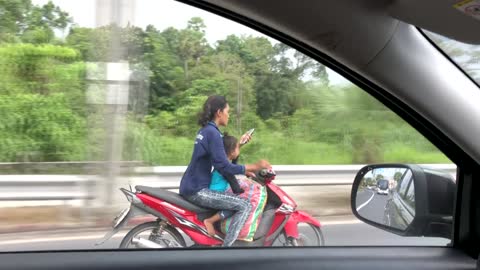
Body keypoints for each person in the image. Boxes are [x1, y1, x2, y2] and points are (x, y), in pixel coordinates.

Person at [179, 95, 270, 247]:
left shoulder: (207, 130)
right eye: (228, 111)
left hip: (192, 184)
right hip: (198, 190)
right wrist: (253, 166)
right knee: (245, 205)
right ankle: (227, 250)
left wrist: (239, 145)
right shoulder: (213, 133)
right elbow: (224, 166)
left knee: (237, 199)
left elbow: (223, 157)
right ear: (219, 112)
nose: (229, 115)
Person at [204, 133, 243, 236]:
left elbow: (233, 168)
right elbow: (234, 184)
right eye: (237, 148)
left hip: (213, 193)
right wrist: (240, 191)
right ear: (232, 151)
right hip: (215, 195)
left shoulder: (222, 163)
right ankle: (210, 221)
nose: (238, 150)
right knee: (236, 206)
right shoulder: (225, 167)